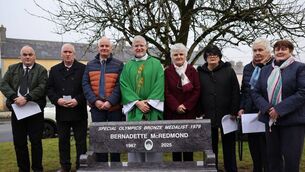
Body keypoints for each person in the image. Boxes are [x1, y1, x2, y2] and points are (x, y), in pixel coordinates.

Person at [252, 40, 305, 172]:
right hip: (271, 121)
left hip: (292, 122)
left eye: (284, 49)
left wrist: (279, 109)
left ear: (290, 51)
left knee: (291, 160)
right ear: (273, 52)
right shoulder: (265, 70)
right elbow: (255, 92)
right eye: (277, 49)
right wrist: (268, 108)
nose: (280, 51)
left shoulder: (300, 68)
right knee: (273, 159)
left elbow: (302, 92)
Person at [0, 45, 47, 172]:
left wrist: (27, 97)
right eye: (25, 54)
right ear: (20, 56)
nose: (27, 57)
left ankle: (37, 169)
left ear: (34, 56)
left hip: (35, 111)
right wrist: (15, 97)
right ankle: (23, 169)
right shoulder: (12, 68)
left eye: (30, 54)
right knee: (19, 143)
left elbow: (42, 87)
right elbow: (3, 84)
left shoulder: (41, 70)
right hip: (17, 110)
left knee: (36, 143)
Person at [120, 35, 164, 162]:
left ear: (146, 46)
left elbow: (160, 84)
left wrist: (149, 103)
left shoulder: (156, 64)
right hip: (134, 109)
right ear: (132, 48)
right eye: (136, 46)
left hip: (152, 109)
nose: (139, 48)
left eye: (141, 45)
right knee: (135, 144)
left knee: (153, 144)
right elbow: (124, 85)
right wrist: (137, 102)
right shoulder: (127, 66)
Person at [197, 45, 240, 172]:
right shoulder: (200, 72)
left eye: (215, 54)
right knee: (210, 147)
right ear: (205, 57)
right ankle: (211, 169)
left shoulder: (229, 71)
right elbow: (197, 93)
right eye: (209, 54)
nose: (212, 56)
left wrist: (234, 110)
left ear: (219, 57)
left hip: (228, 115)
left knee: (229, 146)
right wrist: (199, 111)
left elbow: (235, 92)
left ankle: (231, 169)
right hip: (208, 115)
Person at [47, 43, 88, 172]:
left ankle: (81, 165)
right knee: (63, 141)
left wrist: (77, 100)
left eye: (70, 52)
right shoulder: (54, 70)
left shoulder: (83, 68)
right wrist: (57, 100)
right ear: (61, 54)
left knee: (81, 141)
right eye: (65, 52)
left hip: (78, 110)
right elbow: (49, 89)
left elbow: (86, 89)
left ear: (74, 54)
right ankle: (65, 166)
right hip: (62, 111)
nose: (68, 54)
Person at [82, 36, 123, 162]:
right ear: (98, 48)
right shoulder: (89, 65)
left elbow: (120, 85)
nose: (104, 48)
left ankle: (116, 167)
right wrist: (95, 101)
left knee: (115, 140)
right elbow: (85, 84)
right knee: (100, 140)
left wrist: (110, 102)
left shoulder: (119, 64)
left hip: (114, 109)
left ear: (111, 48)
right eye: (102, 46)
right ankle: (102, 166)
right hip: (97, 109)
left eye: (107, 46)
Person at [238, 38, 272, 172]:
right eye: (255, 50)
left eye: (260, 50)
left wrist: (264, 108)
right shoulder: (247, 68)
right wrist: (241, 108)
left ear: (268, 52)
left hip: (266, 114)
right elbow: (244, 91)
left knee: (268, 152)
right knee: (254, 150)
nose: (257, 53)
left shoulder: (274, 66)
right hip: (250, 115)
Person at [164, 43, 200, 161]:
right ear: (171, 57)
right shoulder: (167, 71)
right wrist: (176, 106)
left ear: (185, 56)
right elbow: (166, 91)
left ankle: (189, 167)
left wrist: (186, 105)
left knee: (188, 145)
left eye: (181, 54)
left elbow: (197, 90)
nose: (178, 57)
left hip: (189, 113)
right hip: (173, 113)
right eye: (175, 55)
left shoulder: (192, 71)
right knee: (176, 145)